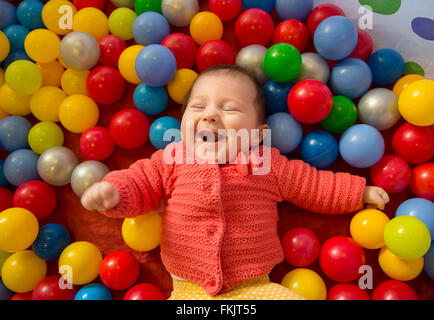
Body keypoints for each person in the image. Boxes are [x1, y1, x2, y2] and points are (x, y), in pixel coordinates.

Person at [81, 64, 390, 300]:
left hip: (253, 288)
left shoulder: (266, 165)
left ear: (257, 134)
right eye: (198, 107)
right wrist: (114, 192)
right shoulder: (172, 159)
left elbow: (312, 185)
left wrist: (358, 192)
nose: (210, 116)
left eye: (229, 109)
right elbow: (140, 182)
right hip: (189, 290)